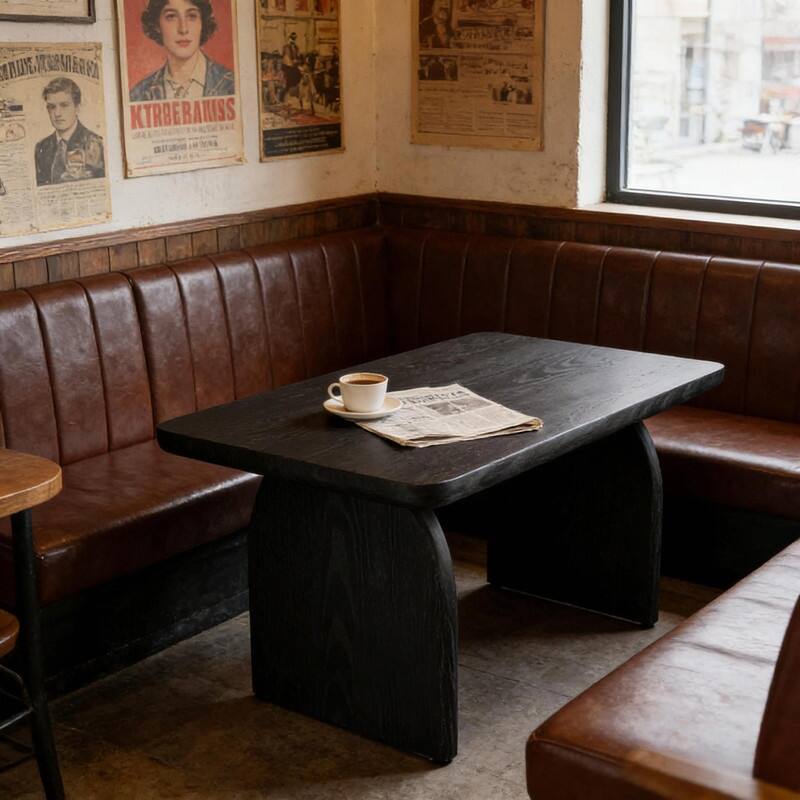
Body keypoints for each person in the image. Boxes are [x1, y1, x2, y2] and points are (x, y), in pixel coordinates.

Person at [130, 0, 234, 102]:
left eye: (192, 16)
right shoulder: (139, 95)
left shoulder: (232, 84)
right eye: (171, 17)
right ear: (157, 25)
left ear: (202, 22)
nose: (183, 29)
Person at [34, 77, 104, 187]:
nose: (57, 113)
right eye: (52, 107)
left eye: (64, 105)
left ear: (77, 107)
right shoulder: (41, 147)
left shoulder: (97, 144)